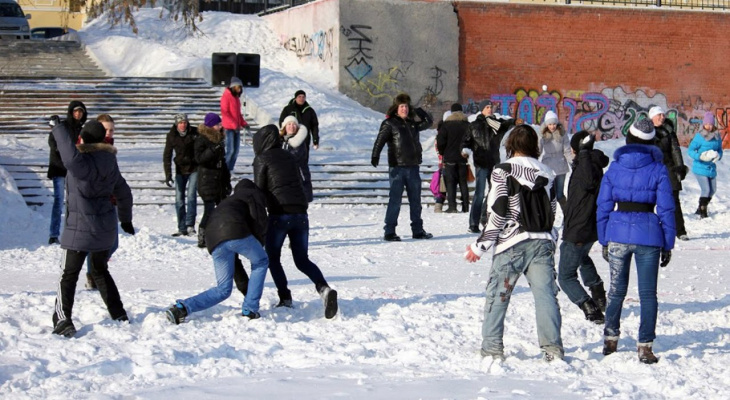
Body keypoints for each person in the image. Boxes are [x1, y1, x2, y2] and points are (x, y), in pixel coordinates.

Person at [464, 124, 563, 362]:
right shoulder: (547, 173)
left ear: (510, 145)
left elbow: (498, 211)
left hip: (511, 243)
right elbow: (551, 211)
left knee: (497, 295)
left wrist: (480, 246)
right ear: (534, 146)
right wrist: (552, 239)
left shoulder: (502, 171)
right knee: (545, 297)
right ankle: (552, 350)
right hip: (541, 242)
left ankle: (491, 349)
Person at [597, 118, 675, 364]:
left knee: (616, 291)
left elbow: (603, 206)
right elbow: (666, 209)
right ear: (652, 142)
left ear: (628, 140)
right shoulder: (658, 169)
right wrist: (668, 243)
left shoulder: (615, 168)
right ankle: (645, 346)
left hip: (618, 233)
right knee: (648, 294)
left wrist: (604, 239)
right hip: (649, 235)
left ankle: (610, 339)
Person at [50, 120, 135, 338]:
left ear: (84, 138)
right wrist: (125, 220)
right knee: (99, 271)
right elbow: (124, 193)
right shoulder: (109, 162)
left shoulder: (81, 162)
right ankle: (118, 314)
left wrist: (58, 127)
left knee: (68, 275)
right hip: (104, 230)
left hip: (80, 230)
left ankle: (62, 320)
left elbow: (68, 155)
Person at [253, 124, 338, 319]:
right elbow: (300, 182)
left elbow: (258, 190)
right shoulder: (290, 156)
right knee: (302, 259)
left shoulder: (262, 158)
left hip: (279, 214)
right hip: (300, 213)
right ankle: (323, 288)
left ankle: (285, 297)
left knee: (272, 258)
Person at [166, 179, 269, 323]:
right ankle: (250, 309)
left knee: (223, 289)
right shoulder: (252, 194)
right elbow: (259, 221)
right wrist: (260, 243)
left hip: (213, 239)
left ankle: (182, 308)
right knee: (261, 261)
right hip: (236, 231)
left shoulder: (228, 201)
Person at [557, 130, 609, 324]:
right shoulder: (591, 163)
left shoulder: (586, 164)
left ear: (577, 149)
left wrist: (584, 153)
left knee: (565, 277)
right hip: (587, 226)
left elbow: (586, 182)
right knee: (582, 257)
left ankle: (590, 307)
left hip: (579, 227)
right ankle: (599, 294)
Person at [371, 93, 434, 242]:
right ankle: (389, 231)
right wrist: (375, 155)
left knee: (416, 201)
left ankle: (418, 230)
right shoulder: (390, 123)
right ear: (396, 108)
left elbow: (429, 122)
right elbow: (380, 140)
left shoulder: (413, 124)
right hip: (397, 168)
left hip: (413, 167)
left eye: (406, 106)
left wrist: (418, 109)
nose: (404, 109)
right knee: (395, 200)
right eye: (401, 106)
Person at [461, 99, 515, 233]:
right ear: (481, 109)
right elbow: (465, 142)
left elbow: (506, 124)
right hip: (481, 163)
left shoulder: (496, 124)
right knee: (479, 194)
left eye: (491, 107)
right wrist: (465, 151)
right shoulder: (474, 125)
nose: (489, 109)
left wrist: (515, 121)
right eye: (487, 107)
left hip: (494, 162)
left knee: (493, 193)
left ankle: (485, 218)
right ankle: (473, 223)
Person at [83, 114, 121, 291]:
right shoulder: (89, 147)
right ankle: (94, 275)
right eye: (105, 129)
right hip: (95, 202)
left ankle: (95, 271)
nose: (109, 133)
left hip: (110, 201)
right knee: (100, 243)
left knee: (112, 244)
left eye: (111, 130)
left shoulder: (110, 148)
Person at [47, 101, 87, 245]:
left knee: (75, 202)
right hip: (59, 167)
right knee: (58, 200)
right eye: (76, 111)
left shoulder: (83, 129)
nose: (78, 114)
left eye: (80, 112)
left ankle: (72, 232)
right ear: (71, 112)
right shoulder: (62, 126)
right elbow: (53, 142)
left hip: (74, 169)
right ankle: (53, 234)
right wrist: (64, 154)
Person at [650, 106, 689, 239]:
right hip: (651, 169)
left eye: (663, 115)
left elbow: (675, 150)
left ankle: (680, 231)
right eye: (659, 115)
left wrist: (679, 167)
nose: (662, 117)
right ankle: (651, 230)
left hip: (668, 168)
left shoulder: (669, 131)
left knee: (674, 200)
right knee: (649, 200)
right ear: (652, 117)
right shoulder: (646, 131)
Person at [195, 113, 232, 248]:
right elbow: (200, 159)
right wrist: (213, 149)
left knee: (223, 210)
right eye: (218, 124)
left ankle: (221, 235)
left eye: (220, 124)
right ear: (211, 126)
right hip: (207, 181)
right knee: (209, 210)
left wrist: (227, 182)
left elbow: (223, 163)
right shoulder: (202, 139)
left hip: (219, 181)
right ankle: (202, 236)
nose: (220, 126)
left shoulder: (219, 139)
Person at [163, 113, 200, 237]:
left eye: (184, 122)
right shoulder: (171, 136)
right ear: (176, 124)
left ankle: (190, 225)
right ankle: (181, 226)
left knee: (191, 196)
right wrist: (168, 174)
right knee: (179, 199)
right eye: (180, 123)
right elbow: (167, 155)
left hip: (194, 168)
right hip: (180, 170)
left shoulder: (195, 132)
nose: (183, 125)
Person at [688, 111, 723, 219]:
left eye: (711, 124)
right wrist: (700, 156)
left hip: (711, 167)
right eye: (707, 124)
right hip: (700, 167)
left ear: (713, 125)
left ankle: (700, 207)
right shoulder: (699, 136)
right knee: (706, 190)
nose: (708, 126)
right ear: (704, 124)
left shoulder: (717, 136)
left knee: (712, 190)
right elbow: (690, 150)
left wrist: (718, 156)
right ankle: (703, 212)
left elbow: (720, 150)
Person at [436, 103, 470, 213]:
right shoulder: (467, 124)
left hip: (449, 158)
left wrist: (443, 152)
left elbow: (440, 141)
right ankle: (465, 206)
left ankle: (452, 207)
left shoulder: (446, 125)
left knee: (450, 183)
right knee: (463, 183)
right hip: (463, 158)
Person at [539, 110, 572, 215]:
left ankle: (567, 216)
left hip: (561, 165)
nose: (552, 126)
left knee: (559, 194)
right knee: (548, 194)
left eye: (554, 124)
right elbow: (538, 150)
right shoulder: (542, 135)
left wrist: (572, 162)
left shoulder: (562, 133)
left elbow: (567, 150)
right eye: (550, 124)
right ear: (546, 124)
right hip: (548, 166)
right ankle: (548, 218)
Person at [280, 115, 314, 202]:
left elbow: (294, 156)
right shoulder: (282, 141)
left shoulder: (299, 141)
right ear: (285, 127)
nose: (292, 126)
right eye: (289, 124)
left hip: (300, 174)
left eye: (294, 124)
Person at [279, 89, 320, 156]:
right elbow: (282, 122)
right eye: (299, 97)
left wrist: (315, 140)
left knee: (303, 158)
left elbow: (314, 126)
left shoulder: (310, 111)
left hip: (305, 138)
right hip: (290, 138)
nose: (301, 98)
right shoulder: (288, 109)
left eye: (303, 97)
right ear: (295, 98)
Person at [220, 77, 249, 172]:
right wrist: (233, 124)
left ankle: (230, 169)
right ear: (233, 87)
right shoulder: (226, 96)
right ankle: (225, 169)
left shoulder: (236, 98)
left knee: (236, 151)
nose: (239, 89)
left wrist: (243, 123)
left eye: (240, 87)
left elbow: (238, 114)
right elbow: (225, 113)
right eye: (237, 87)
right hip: (229, 128)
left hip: (236, 127)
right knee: (230, 150)